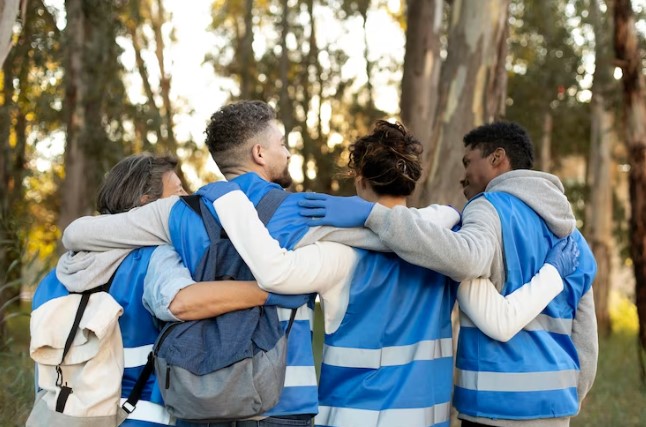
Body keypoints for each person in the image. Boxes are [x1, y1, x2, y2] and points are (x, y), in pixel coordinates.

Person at [61, 116, 578, 427]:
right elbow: (478, 289)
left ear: (358, 180)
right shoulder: (447, 230)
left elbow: (274, 270)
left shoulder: (335, 250)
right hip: (430, 414)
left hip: (347, 413)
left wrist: (232, 205)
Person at [298, 121, 598, 427]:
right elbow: (587, 338)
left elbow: (466, 258)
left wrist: (368, 218)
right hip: (556, 407)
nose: (463, 175)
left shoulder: (487, 210)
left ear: (497, 158)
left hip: (492, 406)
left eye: (469, 162)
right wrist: (569, 395)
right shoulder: (573, 238)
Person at [32, 153, 305, 427]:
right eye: (178, 193)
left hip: (63, 417)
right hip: (141, 416)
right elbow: (180, 302)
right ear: (146, 203)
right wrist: (270, 291)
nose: (187, 200)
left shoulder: (55, 277)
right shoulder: (154, 258)